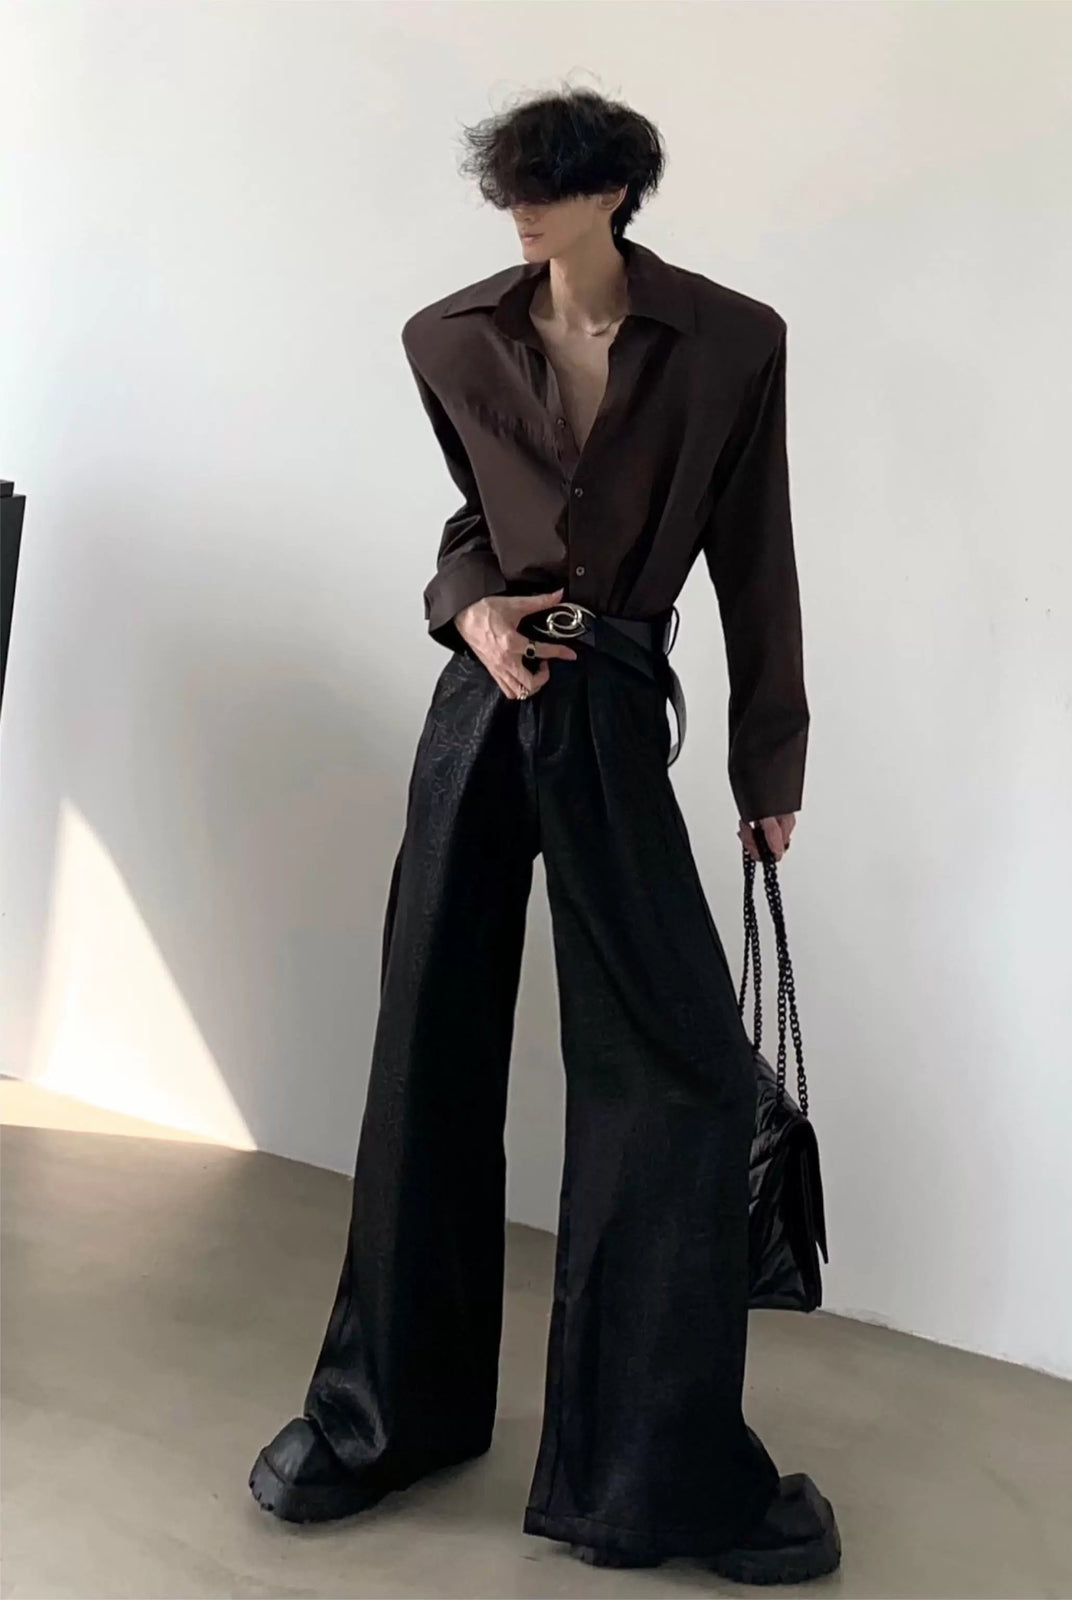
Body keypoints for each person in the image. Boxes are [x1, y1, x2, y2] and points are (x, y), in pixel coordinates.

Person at [247, 85, 840, 1585]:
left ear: (615, 193)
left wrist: (767, 760)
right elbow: (473, 523)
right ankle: (383, 1419)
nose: (520, 207)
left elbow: (755, 556)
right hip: (483, 707)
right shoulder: (447, 338)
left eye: (549, 185)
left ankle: (653, 1470)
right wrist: (471, 612)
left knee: (677, 1073)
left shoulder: (732, 342)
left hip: (616, 707)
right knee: (426, 1046)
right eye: (508, 183)